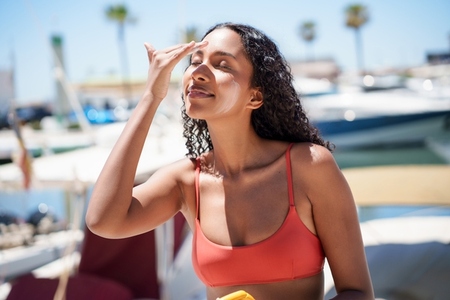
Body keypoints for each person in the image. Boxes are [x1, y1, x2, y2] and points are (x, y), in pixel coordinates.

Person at [86, 22, 374, 300]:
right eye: (194, 61)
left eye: (221, 64)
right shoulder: (186, 181)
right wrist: (151, 96)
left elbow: (358, 292)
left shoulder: (308, 166)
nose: (198, 70)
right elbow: (103, 221)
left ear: (255, 96)